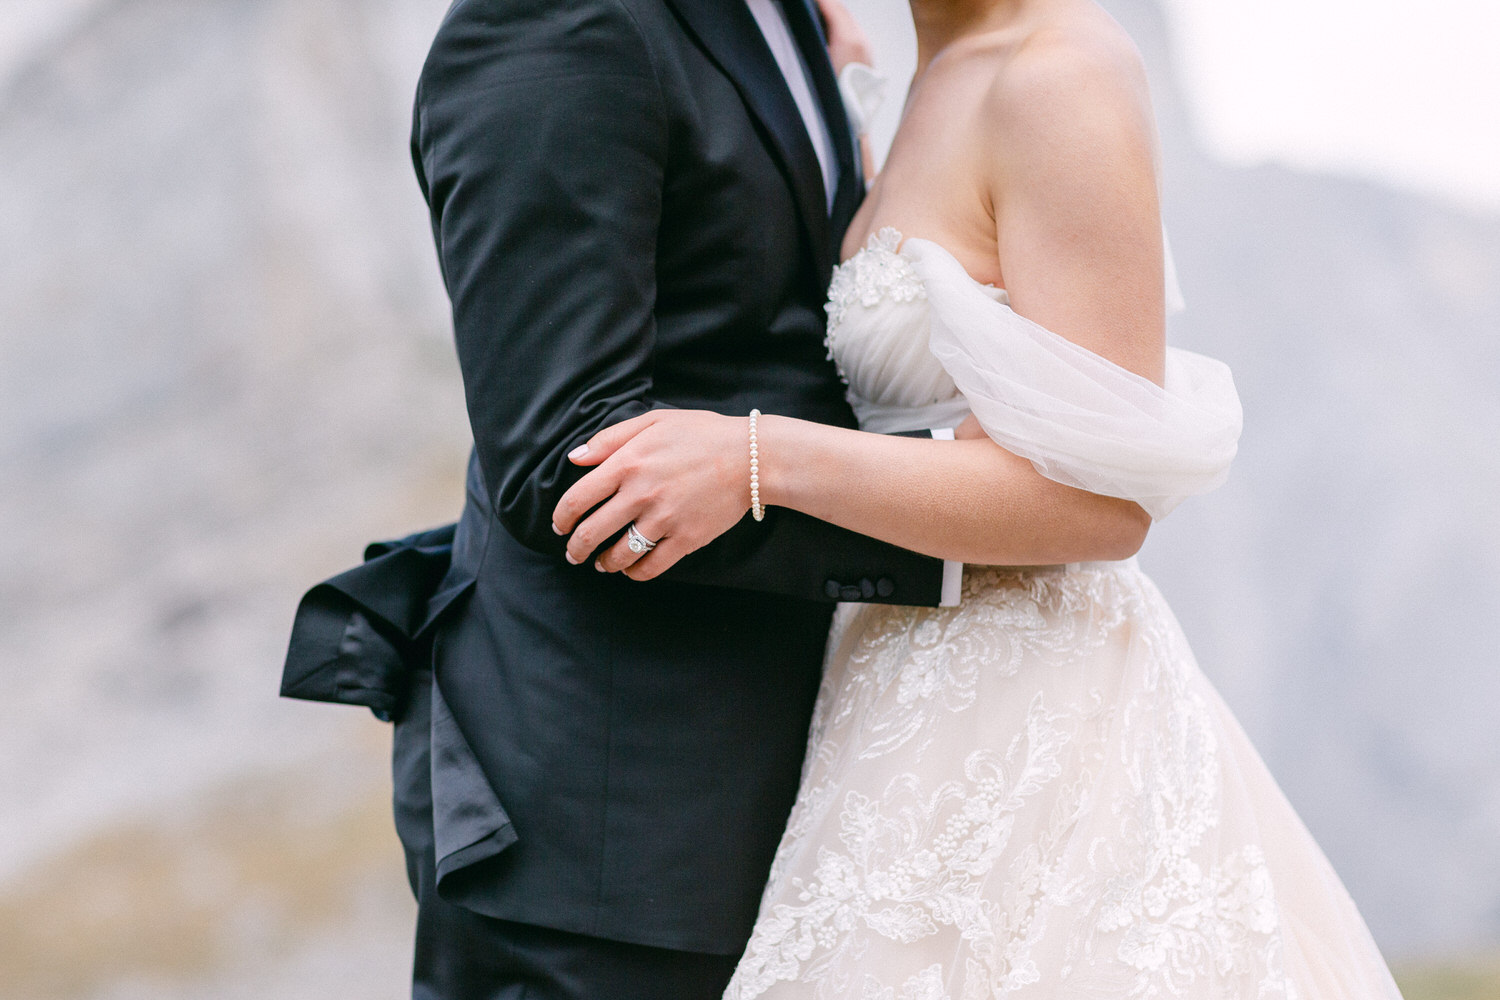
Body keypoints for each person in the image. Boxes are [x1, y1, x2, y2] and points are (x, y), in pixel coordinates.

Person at [551, 0, 1408, 996]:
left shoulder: (1061, 74)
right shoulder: (928, 65)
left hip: (1033, 713)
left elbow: (1100, 508)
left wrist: (759, 459)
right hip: (889, 681)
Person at [277, 0, 1067, 997]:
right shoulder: (560, 24)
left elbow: (764, 326)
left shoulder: (788, 20)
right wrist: (979, 513)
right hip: (607, 836)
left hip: (801, 785)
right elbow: (570, 460)